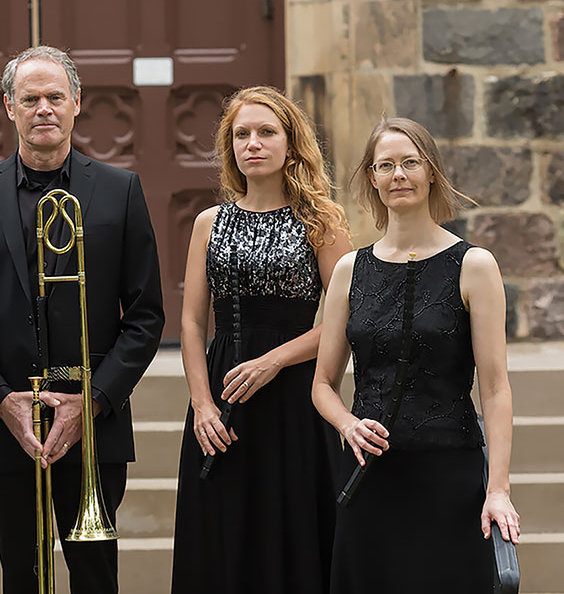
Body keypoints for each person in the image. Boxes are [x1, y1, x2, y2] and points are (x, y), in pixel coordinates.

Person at [0, 45, 164, 594]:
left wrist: (95, 401)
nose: (44, 108)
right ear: (9, 107)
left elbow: (145, 317)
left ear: (77, 103)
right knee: (21, 576)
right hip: (6, 425)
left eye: (55, 97)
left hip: (95, 423)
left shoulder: (121, 190)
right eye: (30, 99)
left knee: (95, 576)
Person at [311, 117, 520, 593]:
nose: (398, 175)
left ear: (431, 171)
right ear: (372, 178)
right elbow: (322, 385)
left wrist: (498, 489)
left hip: (449, 478)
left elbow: (495, 389)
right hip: (369, 479)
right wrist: (347, 425)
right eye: (385, 165)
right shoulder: (349, 269)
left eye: (410, 162)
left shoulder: (474, 265)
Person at [171, 86, 351, 594]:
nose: (252, 143)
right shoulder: (208, 222)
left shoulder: (322, 221)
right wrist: (201, 404)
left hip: (297, 394)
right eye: (241, 134)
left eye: (266, 132)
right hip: (223, 397)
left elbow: (347, 319)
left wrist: (274, 360)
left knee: (292, 528)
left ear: (291, 145)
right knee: (224, 531)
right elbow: (191, 323)